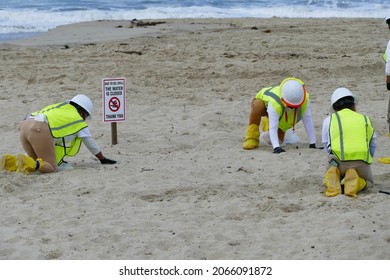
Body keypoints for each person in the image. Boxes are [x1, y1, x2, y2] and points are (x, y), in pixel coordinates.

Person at [1, 94, 116, 174]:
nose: (84, 119)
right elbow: (90, 142)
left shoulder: (61, 107)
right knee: (51, 167)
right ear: (82, 112)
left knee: (31, 162)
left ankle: (9, 161)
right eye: (85, 116)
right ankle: (25, 161)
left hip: (25, 124)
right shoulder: (77, 119)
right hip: (39, 128)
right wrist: (102, 159)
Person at [322, 88, 376, 198]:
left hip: (337, 161)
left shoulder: (329, 119)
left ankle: (334, 176)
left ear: (334, 107)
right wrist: (367, 161)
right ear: (353, 104)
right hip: (360, 161)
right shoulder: (365, 119)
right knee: (369, 183)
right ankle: (357, 181)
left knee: (331, 167)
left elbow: (326, 146)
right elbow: (372, 145)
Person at [242, 77, 317, 153]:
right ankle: (252, 137)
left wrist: (312, 143)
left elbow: (307, 119)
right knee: (257, 106)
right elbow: (273, 128)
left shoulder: (304, 98)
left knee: (276, 140)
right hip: (264, 104)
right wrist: (276, 148)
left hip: (281, 116)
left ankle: (268, 122)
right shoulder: (275, 103)